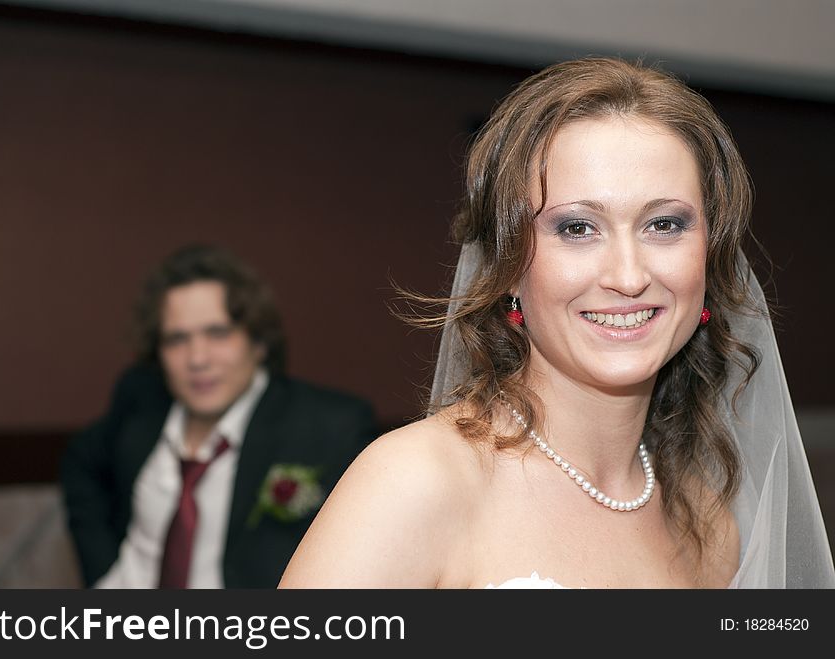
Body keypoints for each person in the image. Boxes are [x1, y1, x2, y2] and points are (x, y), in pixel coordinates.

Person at [280, 57, 835, 588]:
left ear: (710, 257)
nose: (627, 274)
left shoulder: (710, 522)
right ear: (509, 268)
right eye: (576, 229)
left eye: (664, 224)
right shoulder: (416, 483)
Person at [61, 244, 377, 588]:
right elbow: (80, 461)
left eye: (218, 333)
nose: (197, 358)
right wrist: (103, 575)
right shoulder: (142, 402)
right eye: (177, 339)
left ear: (258, 342)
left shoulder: (328, 426)